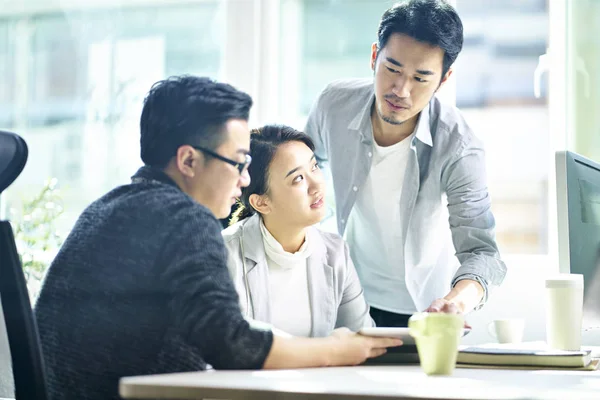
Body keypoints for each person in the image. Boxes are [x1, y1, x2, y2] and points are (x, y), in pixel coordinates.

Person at [34, 76, 401, 400]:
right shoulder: (184, 218)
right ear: (189, 161)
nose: (244, 180)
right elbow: (231, 344)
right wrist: (335, 350)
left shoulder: (105, 208)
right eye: (238, 163)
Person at [304, 0, 507, 328]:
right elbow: (305, 173)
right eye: (392, 69)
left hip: (422, 312)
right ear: (374, 56)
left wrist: (457, 302)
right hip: (345, 298)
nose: (401, 90)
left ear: (444, 79)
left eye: (421, 78)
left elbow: (482, 252)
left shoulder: (459, 145)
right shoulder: (334, 105)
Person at [223, 125, 374, 337]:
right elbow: (227, 347)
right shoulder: (223, 256)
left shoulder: (336, 252)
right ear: (261, 203)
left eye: (314, 167)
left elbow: (363, 338)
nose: (316, 186)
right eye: (298, 179)